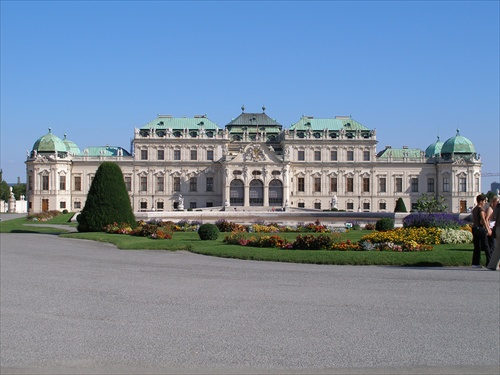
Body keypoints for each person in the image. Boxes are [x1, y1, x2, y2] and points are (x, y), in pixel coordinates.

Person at [471, 194, 491, 268]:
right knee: (486, 246)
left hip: (474, 228)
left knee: (477, 247)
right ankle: (489, 262)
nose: (485, 202)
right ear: (481, 201)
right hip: (480, 229)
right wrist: (487, 229)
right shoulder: (480, 209)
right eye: (484, 201)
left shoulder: (475, 209)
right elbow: (483, 219)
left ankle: (475, 263)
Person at [487, 200, 500, 270]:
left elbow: (491, 217)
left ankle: (492, 265)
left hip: (498, 228)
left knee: (498, 248)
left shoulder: (498, 207)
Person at [485, 196, 498, 260]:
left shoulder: (494, 209)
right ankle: (491, 260)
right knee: (492, 245)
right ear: (493, 202)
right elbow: (486, 219)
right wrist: (488, 229)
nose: (498, 203)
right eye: (497, 201)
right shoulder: (490, 209)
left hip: (493, 228)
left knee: (494, 245)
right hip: (491, 228)